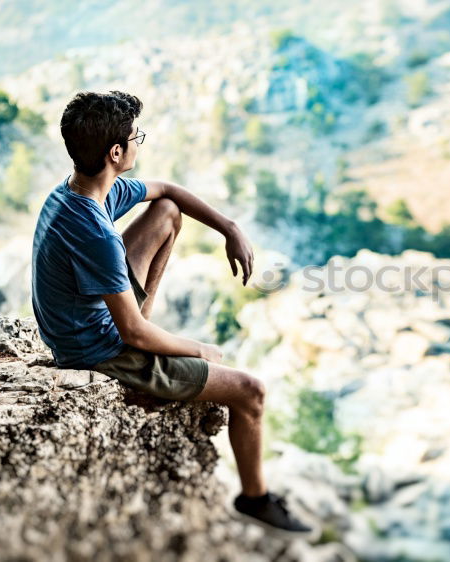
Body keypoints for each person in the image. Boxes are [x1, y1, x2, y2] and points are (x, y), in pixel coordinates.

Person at [30, 90, 313, 539]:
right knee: (250, 392)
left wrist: (230, 227)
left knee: (166, 212)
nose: (140, 142)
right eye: (135, 136)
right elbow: (134, 333)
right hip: (97, 349)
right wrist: (200, 350)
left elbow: (167, 192)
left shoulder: (75, 193)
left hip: (87, 321)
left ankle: (156, 353)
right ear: (116, 152)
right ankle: (255, 498)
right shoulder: (96, 234)